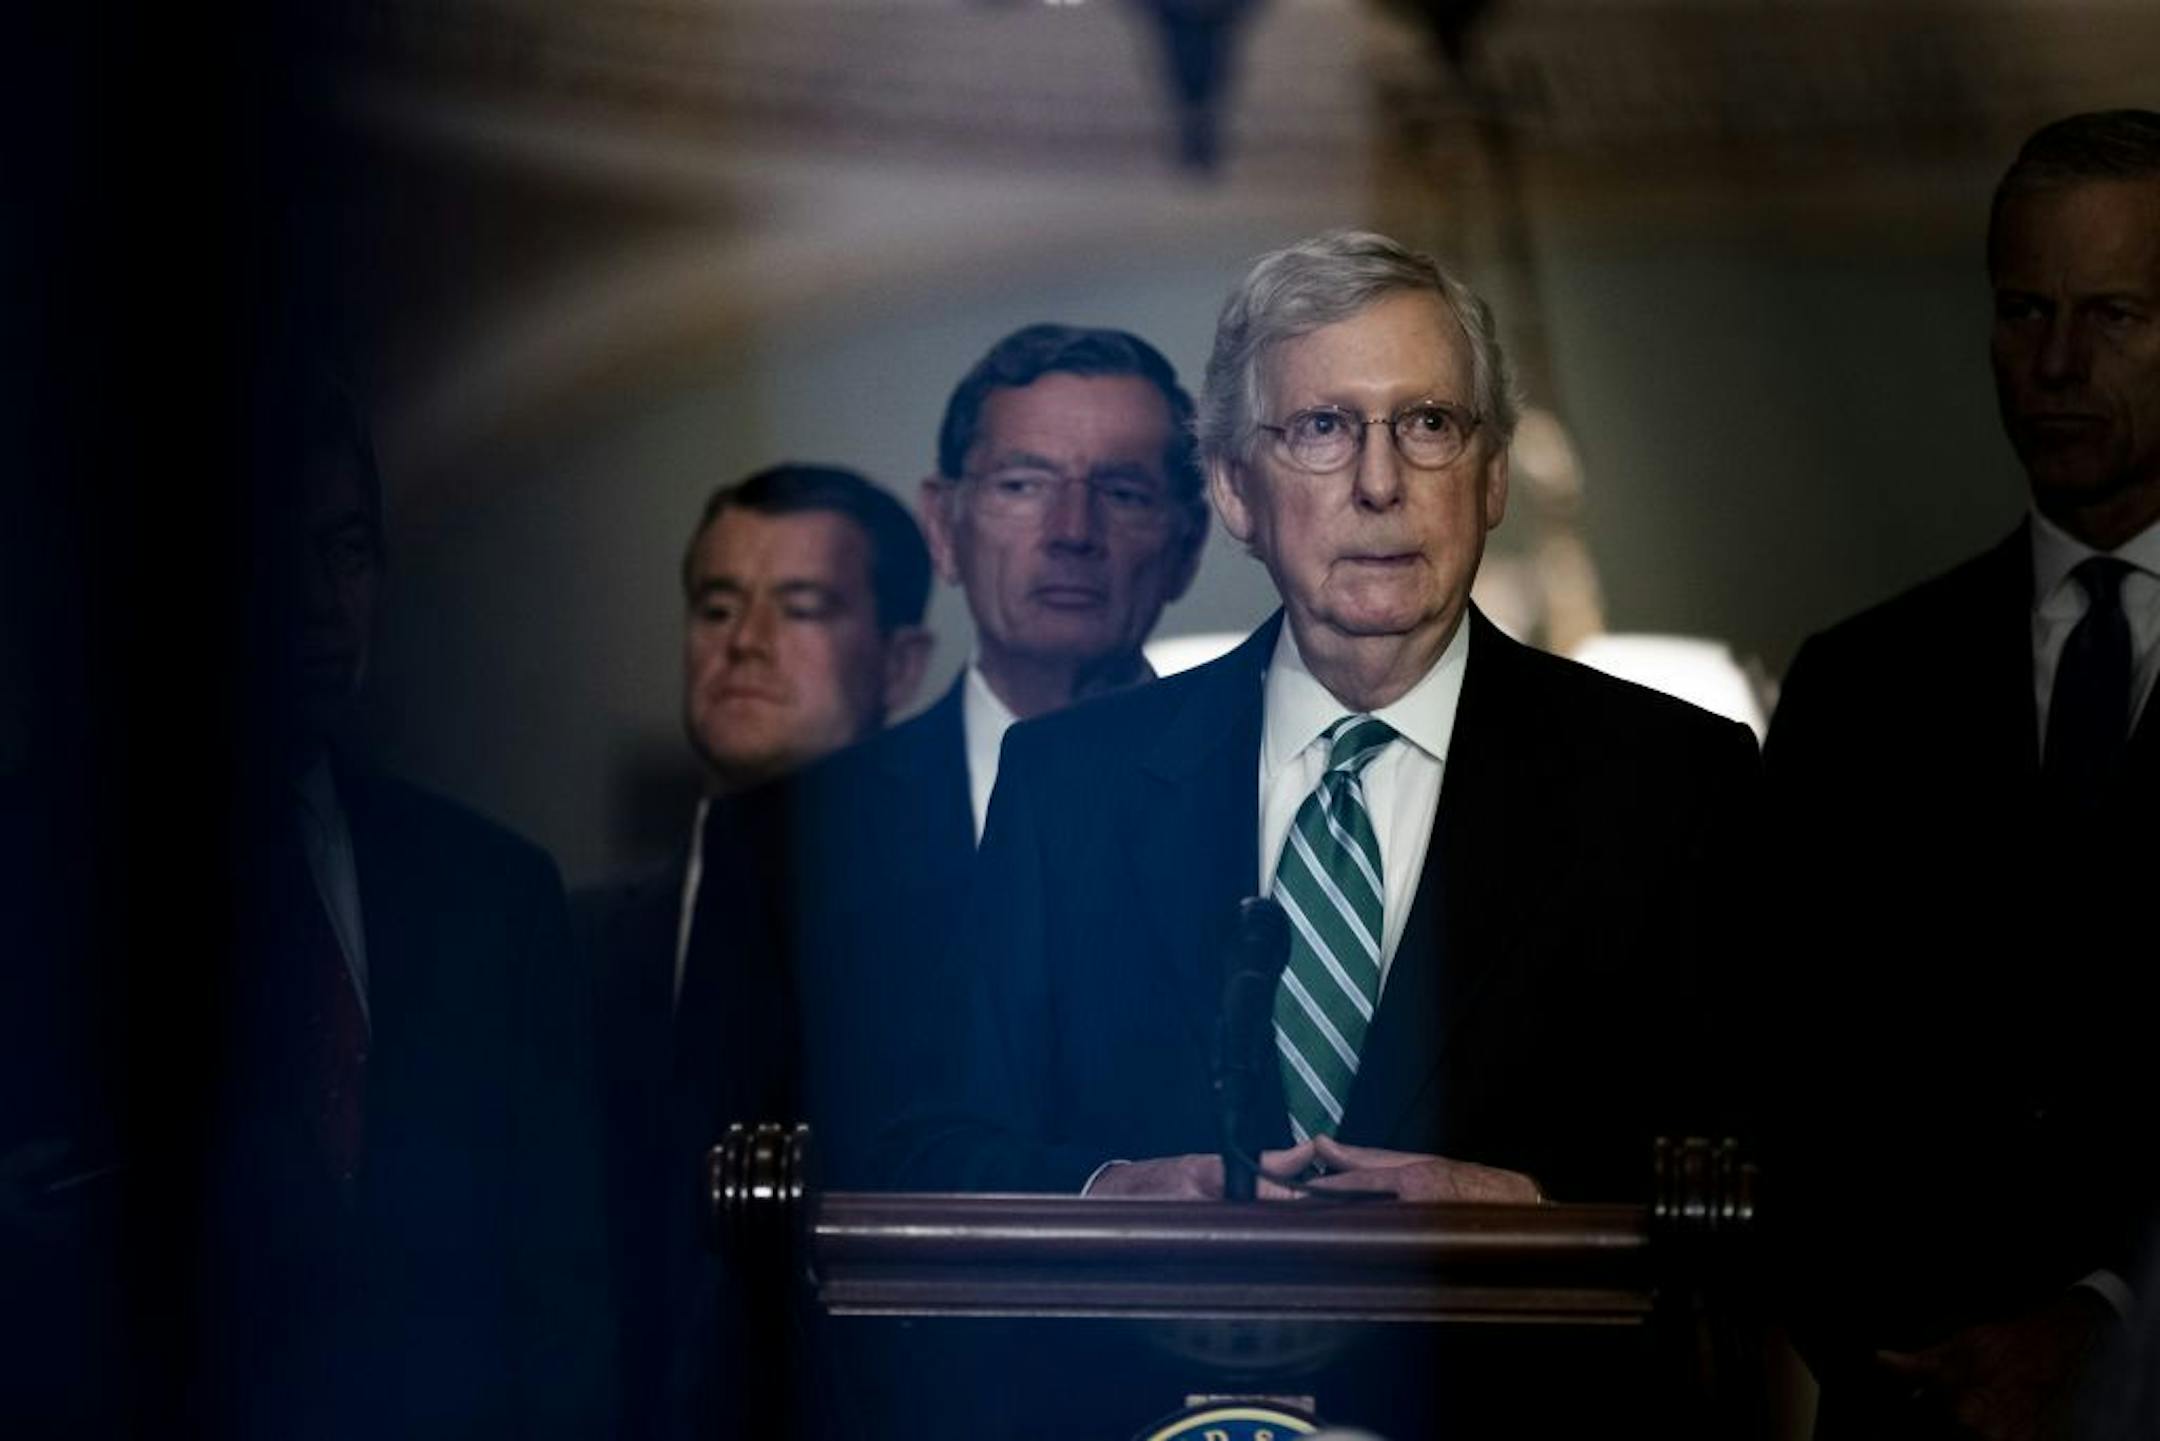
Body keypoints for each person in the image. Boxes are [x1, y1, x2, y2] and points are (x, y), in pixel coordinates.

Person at [892, 231, 1758, 1433]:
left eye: (1429, 425)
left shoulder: (1675, 780)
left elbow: (1768, 1175)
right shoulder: (1067, 785)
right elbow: (941, 1146)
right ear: (1237, 493)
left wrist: (1538, 1206)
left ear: (1493, 476)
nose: (1380, 482)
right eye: (1320, 429)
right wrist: (1109, 1191)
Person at [1763, 110, 2160, 1441]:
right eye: (2022, 310)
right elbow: (1775, 1078)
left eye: (2112, 314)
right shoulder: (1859, 687)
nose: (2054, 362)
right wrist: (1923, 1355)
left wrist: (2111, 1332)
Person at [192, 372, 612, 1440]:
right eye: (272, 551)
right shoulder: (41, 879)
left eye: (347, 552)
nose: (320, 604)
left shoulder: (495, 891)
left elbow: (562, 1296)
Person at [577, 463, 932, 1438]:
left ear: (900, 663)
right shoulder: (564, 938)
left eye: (803, 607)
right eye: (717, 604)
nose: (744, 643)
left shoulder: (964, 938)